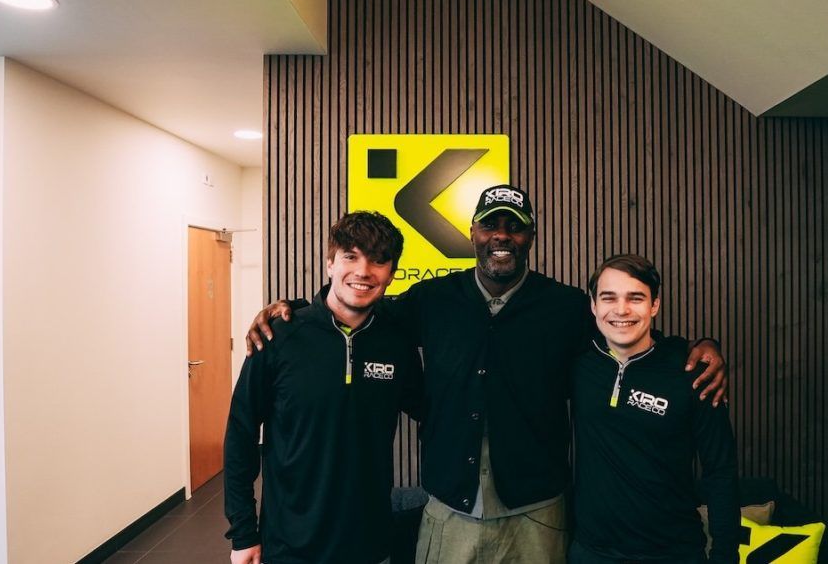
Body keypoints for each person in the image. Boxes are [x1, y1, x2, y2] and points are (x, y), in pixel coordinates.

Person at [246, 185, 727, 563]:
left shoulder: (564, 307)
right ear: (473, 232)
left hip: (537, 510)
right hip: (450, 508)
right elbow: (359, 306)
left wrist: (699, 346)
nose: (502, 235)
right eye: (491, 224)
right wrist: (297, 309)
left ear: (530, 236)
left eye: (514, 227)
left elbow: (625, 330)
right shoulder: (434, 299)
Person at [224, 211, 423, 564]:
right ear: (330, 263)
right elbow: (241, 433)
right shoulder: (278, 336)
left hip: (369, 544)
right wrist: (243, 533)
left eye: (378, 261)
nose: (364, 271)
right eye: (351, 256)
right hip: (289, 544)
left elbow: (432, 409)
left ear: (391, 274)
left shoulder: (397, 343)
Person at [570, 255, 740, 563]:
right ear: (593, 306)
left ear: (654, 306)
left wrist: (725, 556)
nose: (621, 310)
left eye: (635, 298)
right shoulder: (578, 364)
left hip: (673, 553)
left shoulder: (694, 373)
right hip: (591, 553)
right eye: (609, 298)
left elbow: (721, 471)